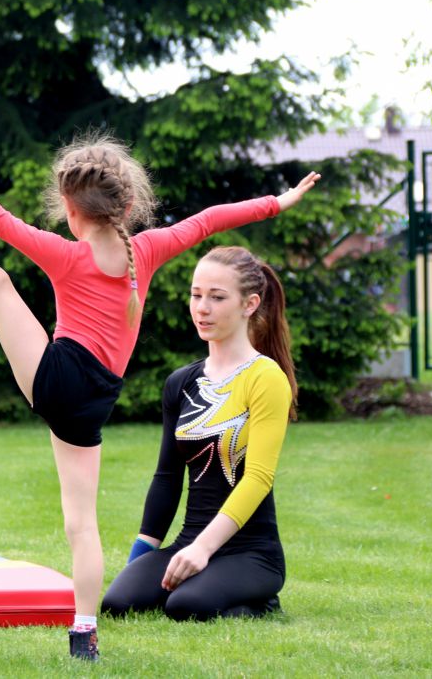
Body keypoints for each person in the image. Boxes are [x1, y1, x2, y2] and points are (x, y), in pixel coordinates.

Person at [0, 135, 319, 659]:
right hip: (94, 404)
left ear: (70, 210)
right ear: (128, 205)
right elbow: (209, 220)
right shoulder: (149, 250)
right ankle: (84, 631)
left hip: (58, 377)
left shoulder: (65, 254)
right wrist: (278, 202)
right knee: (80, 524)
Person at [101, 245, 297, 622]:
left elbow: (258, 478)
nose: (202, 308)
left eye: (217, 297)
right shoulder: (181, 382)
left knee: (185, 606)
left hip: (251, 553)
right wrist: (138, 562)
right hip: (189, 541)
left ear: (250, 304)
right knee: (119, 603)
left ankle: (263, 602)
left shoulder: (266, 377)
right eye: (196, 295)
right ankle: (196, 576)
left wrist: (203, 549)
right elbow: (167, 477)